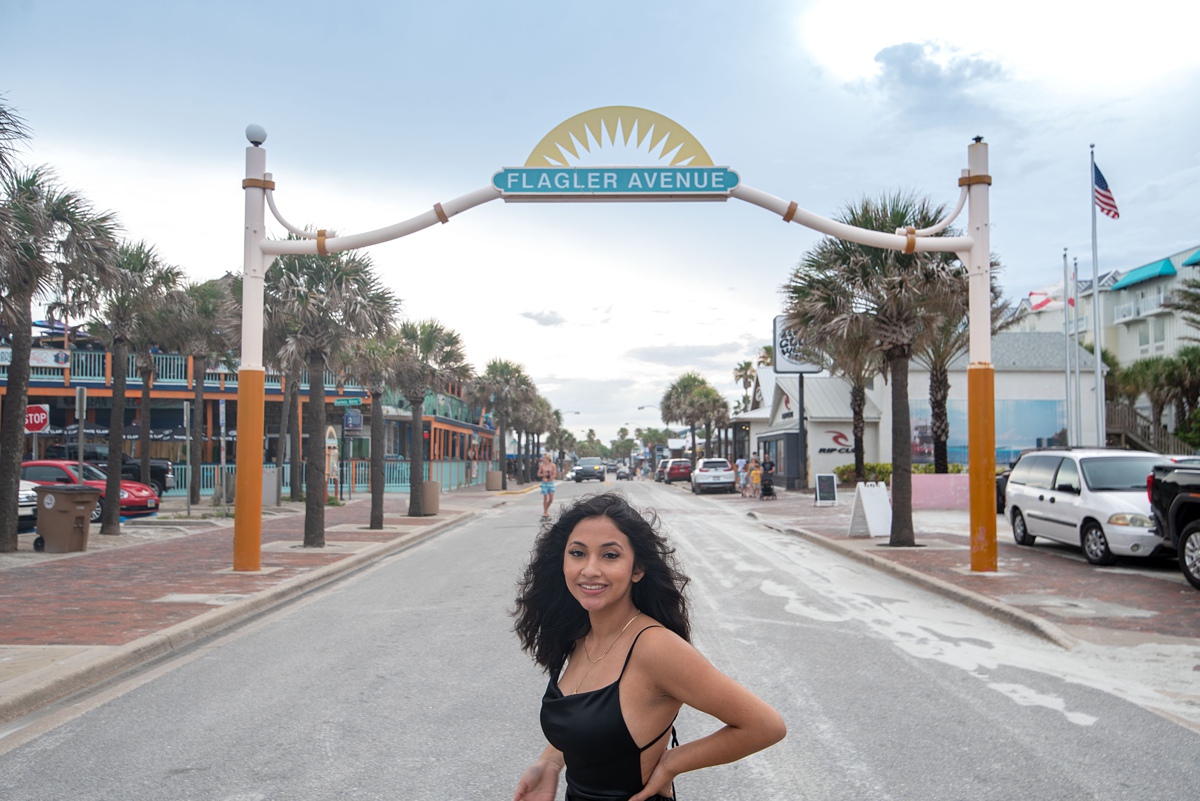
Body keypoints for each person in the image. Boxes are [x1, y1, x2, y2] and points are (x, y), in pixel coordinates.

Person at [513, 493, 786, 801]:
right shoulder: (580, 634)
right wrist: (549, 761)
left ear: (637, 569)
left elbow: (765, 726)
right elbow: (589, 723)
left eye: (610, 555)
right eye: (578, 553)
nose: (589, 569)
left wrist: (672, 762)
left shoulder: (655, 648)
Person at [537, 453, 558, 521]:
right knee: (545, 497)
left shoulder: (553, 465)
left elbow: (554, 474)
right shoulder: (542, 465)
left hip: (550, 483)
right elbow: (538, 474)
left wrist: (549, 478)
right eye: (543, 458)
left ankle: (546, 509)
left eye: (544, 458)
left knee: (551, 498)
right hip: (544, 483)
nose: (543, 459)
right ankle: (545, 511)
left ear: (548, 459)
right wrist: (544, 475)